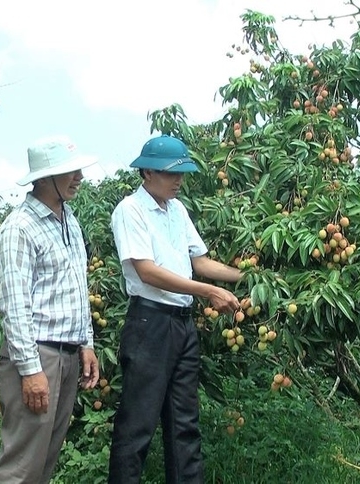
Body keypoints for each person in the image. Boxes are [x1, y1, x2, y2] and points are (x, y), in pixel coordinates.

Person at [108, 135, 242, 484]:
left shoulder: (177, 210)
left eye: (182, 173)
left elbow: (199, 261)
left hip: (182, 326)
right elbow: (146, 271)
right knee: (137, 425)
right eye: (172, 174)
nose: (179, 181)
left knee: (184, 424)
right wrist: (208, 292)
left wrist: (247, 278)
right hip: (149, 322)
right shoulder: (130, 210)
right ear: (147, 174)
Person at [0, 135, 101, 483]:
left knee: (45, 460)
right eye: (68, 171)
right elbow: (15, 304)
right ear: (42, 178)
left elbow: (75, 288)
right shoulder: (19, 228)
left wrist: (86, 343)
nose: (78, 177)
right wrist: (30, 370)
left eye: (77, 169)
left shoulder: (70, 221)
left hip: (66, 355)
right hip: (38, 356)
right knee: (21, 465)